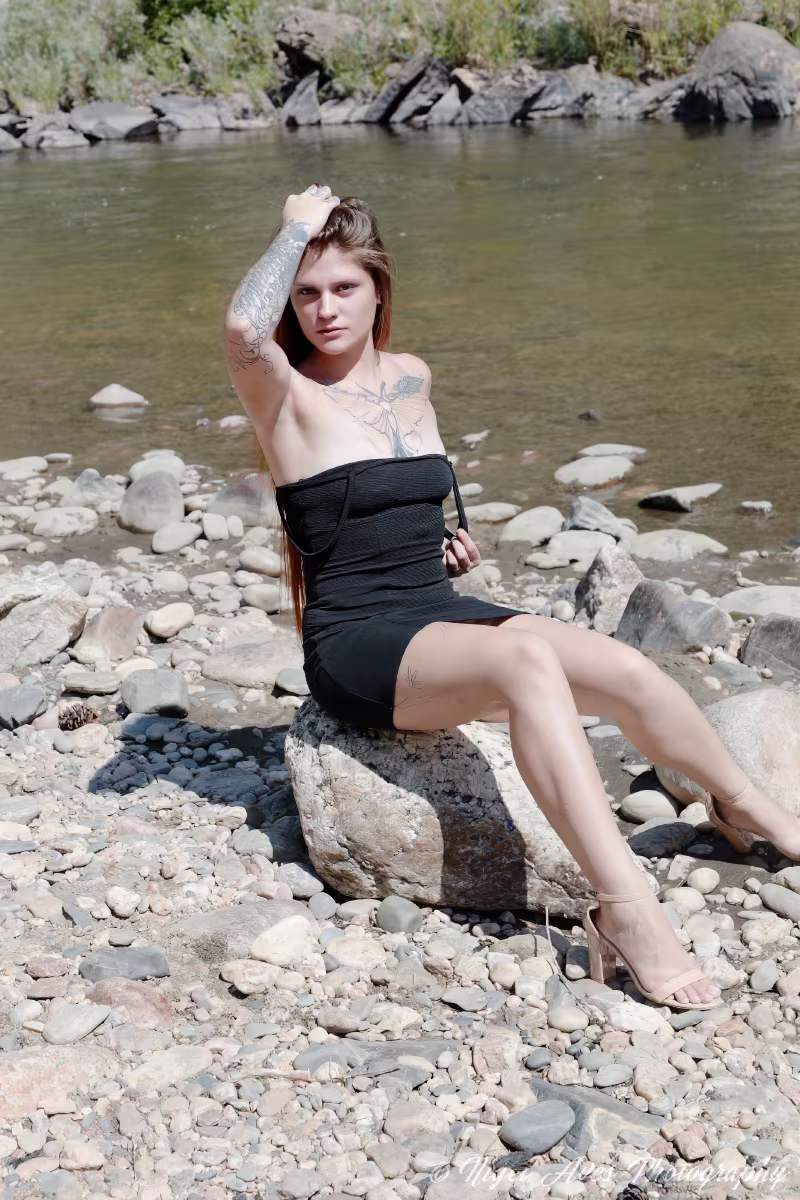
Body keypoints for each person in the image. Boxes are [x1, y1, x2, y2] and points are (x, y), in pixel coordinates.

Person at [225, 183, 800, 1012]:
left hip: (439, 611)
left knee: (629, 672)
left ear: (379, 289)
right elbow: (245, 329)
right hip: (357, 641)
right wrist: (297, 230)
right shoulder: (284, 393)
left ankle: (749, 811)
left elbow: (393, 499)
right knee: (530, 659)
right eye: (307, 292)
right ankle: (626, 910)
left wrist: (443, 544)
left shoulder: (412, 376)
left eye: (344, 286)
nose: (324, 309)